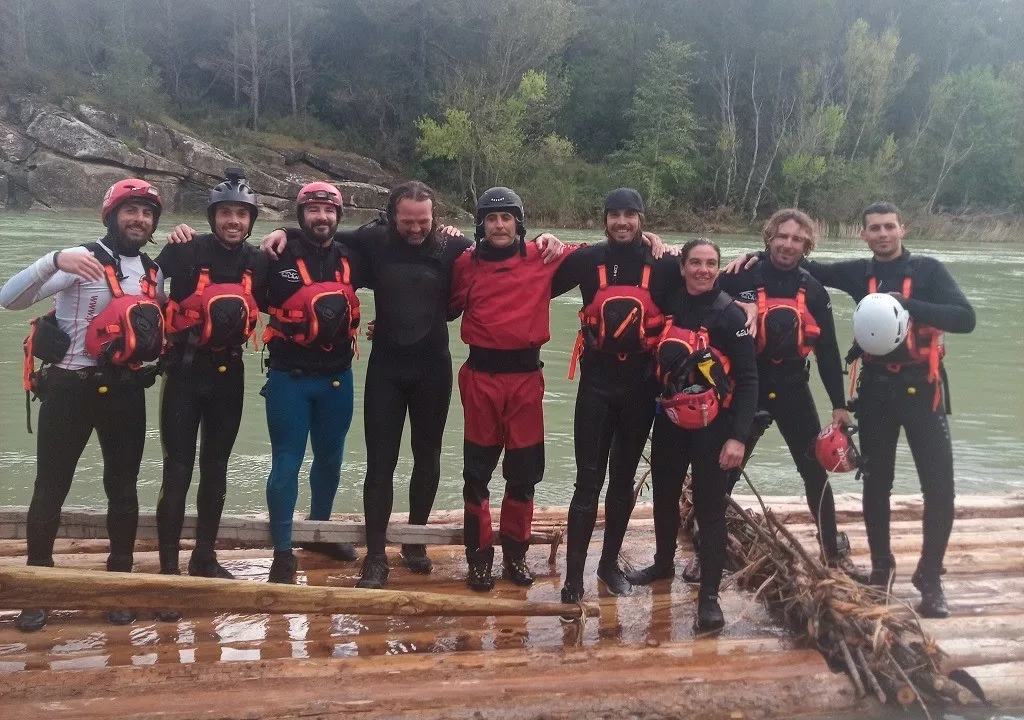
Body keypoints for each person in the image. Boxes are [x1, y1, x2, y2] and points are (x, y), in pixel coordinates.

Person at [259, 181, 562, 589]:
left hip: (432, 369)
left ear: (435, 218)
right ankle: (376, 557)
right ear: (392, 217)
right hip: (386, 369)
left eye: (424, 221)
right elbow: (325, 236)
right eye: (407, 222)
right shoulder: (373, 241)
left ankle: (416, 542)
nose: (417, 229)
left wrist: (546, 239)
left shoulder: (453, 248)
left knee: (428, 457)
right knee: (380, 465)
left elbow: (495, 261)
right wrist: (286, 232)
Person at [725, 202, 975, 618]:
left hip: (921, 392)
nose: (882, 233)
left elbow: (965, 318)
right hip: (875, 392)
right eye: (874, 228)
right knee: (876, 485)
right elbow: (799, 267)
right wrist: (748, 262)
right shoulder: (857, 272)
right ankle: (881, 571)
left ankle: (929, 578)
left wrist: (908, 306)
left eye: (889, 226)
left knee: (940, 489)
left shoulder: (929, 271)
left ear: (902, 229)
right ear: (863, 234)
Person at [1, 178, 167, 631]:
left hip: (126, 393)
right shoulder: (80, 260)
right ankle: (37, 589)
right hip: (69, 390)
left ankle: (119, 585)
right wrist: (51, 260)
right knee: (49, 489)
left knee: (123, 490)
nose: (139, 219)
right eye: (130, 210)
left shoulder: (155, 273)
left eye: (147, 213)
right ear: (111, 215)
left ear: (154, 224)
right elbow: (9, 299)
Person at [535, 188, 682, 602]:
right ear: (604, 219)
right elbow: (533, 282)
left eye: (629, 215)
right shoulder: (585, 260)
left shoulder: (664, 264)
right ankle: (573, 579)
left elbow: (705, 285)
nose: (622, 222)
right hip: (596, 389)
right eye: (614, 214)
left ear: (641, 219)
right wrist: (543, 243)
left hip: (641, 389)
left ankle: (608, 566)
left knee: (621, 482)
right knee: (587, 481)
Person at [717, 208, 859, 576]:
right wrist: (734, 302)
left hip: (795, 389)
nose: (788, 244)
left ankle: (833, 553)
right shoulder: (739, 275)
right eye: (782, 236)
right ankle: (708, 549)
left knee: (814, 475)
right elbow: (699, 298)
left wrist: (839, 406)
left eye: (797, 239)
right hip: (750, 387)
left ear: (807, 244)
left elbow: (828, 353)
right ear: (769, 237)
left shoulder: (813, 289)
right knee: (727, 469)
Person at [628, 239, 758, 632]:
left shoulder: (731, 316)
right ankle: (664, 563)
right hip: (670, 420)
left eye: (711, 263)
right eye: (696, 263)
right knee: (665, 497)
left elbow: (750, 379)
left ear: (719, 268)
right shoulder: (670, 300)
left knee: (710, 508)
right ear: (682, 266)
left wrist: (738, 438)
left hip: (714, 428)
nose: (703, 269)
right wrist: (653, 241)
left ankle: (709, 598)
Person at [447, 187, 572, 590]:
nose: (499, 225)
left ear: (519, 222)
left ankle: (515, 556)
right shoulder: (465, 262)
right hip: (481, 379)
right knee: (476, 474)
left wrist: (657, 243)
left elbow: (606, 252)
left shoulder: (544, 255)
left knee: (523, 475)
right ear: (480, 224)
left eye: (506, 217)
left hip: (525, 381)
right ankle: (479, 559)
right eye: (491, 218)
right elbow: (443, 304)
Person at [153, 169, 267, 604]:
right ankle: (167, 568)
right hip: (183, 372)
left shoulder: (258, 261)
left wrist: (285, 237)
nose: (233, 221)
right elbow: (143, 281)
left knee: (216, 468)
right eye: (225, 213)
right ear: (213, 216)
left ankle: (204, 556)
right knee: (178, 469)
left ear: (251, 220)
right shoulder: (185, 249)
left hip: (228, 374)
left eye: (241, 214)